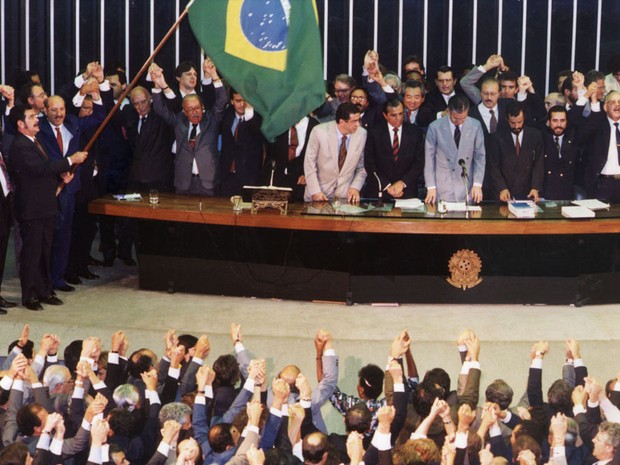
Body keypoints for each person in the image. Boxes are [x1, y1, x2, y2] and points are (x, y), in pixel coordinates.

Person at [8, 104, 87, 310]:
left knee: (45, 250)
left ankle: (45, 290)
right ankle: (30, 295)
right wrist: (70, 160)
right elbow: (39, 169)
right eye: (32, 116)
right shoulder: (19, 146)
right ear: (20, 124)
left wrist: (61, 176)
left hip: (45, 206)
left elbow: (45, 171)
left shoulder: (36, 141)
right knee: (32, 253)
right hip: (31, 209)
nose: (37, 119)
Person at [36, 93, 104, 293]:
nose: (59, 114)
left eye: (62, 109)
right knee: (48, 238)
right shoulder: (39, 128)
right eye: (54, 110)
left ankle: (58, 278)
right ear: (45, 111)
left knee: (65, 235)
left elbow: (99, 116)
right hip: (49, 189)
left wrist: (97, 93)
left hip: (70, 189)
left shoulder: (73, 122)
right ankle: (44, 280)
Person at [149, 62, 226, 196]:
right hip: (183, 183)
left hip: (208, 183)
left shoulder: (212, 120)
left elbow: (221, 101)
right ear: (184, 111)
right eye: (190, 109)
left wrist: (214, 76)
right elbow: (160, 110)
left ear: (202, 107)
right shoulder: (179, 121)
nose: (195, 112)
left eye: (197, 108)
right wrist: (157, 85)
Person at [424, 94, 486, 204]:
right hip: (442, 187)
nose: (460, 122)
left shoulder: (475, 126)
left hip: (466, 187)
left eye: (463, 118)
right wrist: (431, 186)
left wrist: (477, 184)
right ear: (448, 111)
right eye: (456, 118)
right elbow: (429, 160)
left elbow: (480, 157)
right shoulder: (435, 127)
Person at [304, 102, 367, 203]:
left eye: (358, 120)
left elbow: (362, 167)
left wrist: (355, 187)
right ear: (342, 122)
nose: (358, 124)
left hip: (344, 197)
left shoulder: (362, 134)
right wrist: (315, 191)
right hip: (318, 195)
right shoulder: (319, 132)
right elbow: (309, 164)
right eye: (354, 121)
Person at [363, 98, 425, 199]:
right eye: (393, 115)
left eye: (400, 114)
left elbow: (419, 163)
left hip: (407, 191)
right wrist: (388, 186)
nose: (398, 118)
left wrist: (402, 183)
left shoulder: (415, 132)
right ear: (385, 115)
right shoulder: (374, 132)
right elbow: (369, 163)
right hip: (379, 190)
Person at [488, 101, 544, 202]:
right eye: (512, 123)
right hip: (504, 192)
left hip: (528, 192)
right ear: (506, 119)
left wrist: (535, 187)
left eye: (519, 122)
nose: (516, 126)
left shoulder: (535, 135)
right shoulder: (497, 137)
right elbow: (494, 166)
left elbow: (539, 164)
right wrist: (502, 188)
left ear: (524, 118)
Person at [218, 89, 264, 196]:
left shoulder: (257, 118)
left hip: (249, 177)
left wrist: (249, 113)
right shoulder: (227, 113)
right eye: (238, 101)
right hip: (227, 175)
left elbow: (255, 130)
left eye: (245, 100)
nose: (242, 104)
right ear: (232, 101)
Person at [584, 91, 620, 202]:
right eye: (613, 102)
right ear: (605, 107)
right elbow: (582, 136)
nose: (617, 105)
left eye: (619, 102)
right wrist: (594, 103)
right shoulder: (597, 126)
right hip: (603, 183)